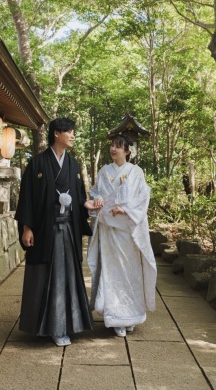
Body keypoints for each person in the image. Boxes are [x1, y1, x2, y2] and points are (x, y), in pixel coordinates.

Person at [15, 117, 100, 346]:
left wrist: (87, 204)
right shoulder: (38, 163)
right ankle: (52, 326)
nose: (72, 135)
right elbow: (28, 198)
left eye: (73, 131)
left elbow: (79, 195)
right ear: (56, 134)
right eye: (69, 132)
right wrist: (26, 227)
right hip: (45, 231)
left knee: (68, 277)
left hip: (68, 230)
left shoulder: (72, 164)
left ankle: (68, 323)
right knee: (47, 276)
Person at [87, 134, 156, 338]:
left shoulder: (136, 172)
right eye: (112, 145)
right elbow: (95, 192)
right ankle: (116, 317)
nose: (113, 149)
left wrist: (125, 210)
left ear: (127, 151)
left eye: (118, 146)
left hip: (128, 231)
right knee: (111, 272)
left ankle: (132, 315)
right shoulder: (104, 171)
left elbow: (143, 197)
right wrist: (98, 200)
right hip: (109, 229)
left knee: (130, 273)